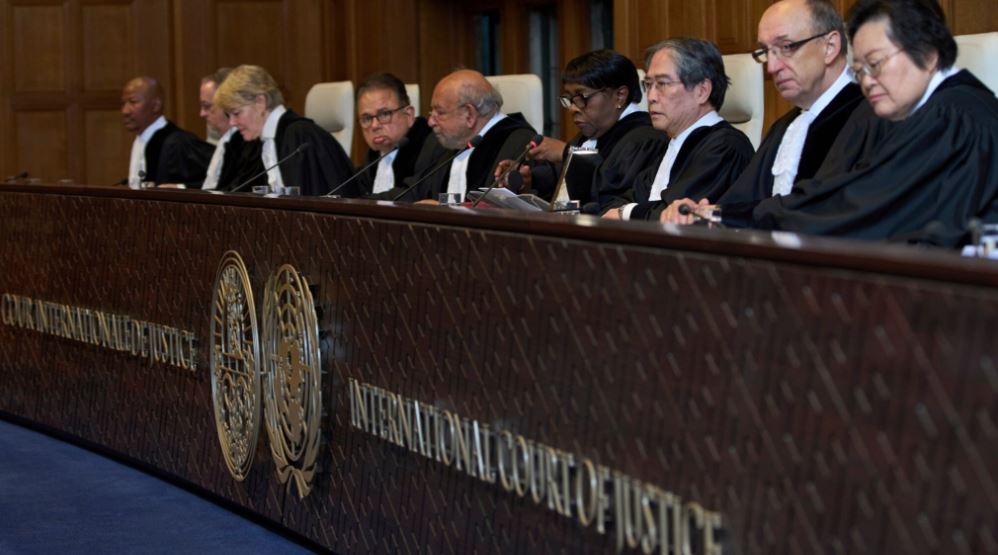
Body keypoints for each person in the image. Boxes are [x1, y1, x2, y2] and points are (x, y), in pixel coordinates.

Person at [744, 0, 998, 246]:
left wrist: (764, 214)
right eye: (859, 71)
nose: (866, 82)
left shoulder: (953, 119)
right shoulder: (928, 114)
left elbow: (869, 208)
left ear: (928, 54)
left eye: (875, 64)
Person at [662, 0, 888, 225]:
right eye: (766, 52)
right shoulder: (784, 126)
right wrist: (697, 213)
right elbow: (741, 203)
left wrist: (722, 214)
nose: (771, 67)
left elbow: (829, 209)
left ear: (830, 46)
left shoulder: (874, 116)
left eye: (786, 47)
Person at [603, 38, 754, 221]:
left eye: (662, 84)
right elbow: (621, 202)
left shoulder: (726, 147)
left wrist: (625, 213)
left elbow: (675, 215)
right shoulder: (672, 143)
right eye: (648, 85)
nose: (651, 97)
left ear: (702, 91)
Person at [507, 49, 668, 213]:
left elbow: (610, 196)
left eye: (582, 97)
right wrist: (530, 179)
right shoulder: (593, 132)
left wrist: (565, 152)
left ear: (620, 96)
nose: (572, 108)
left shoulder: (646, 139)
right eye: (569, 99)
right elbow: (565, 181)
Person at [213, 64, 355, 196]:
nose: (232, 123)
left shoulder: (299, 137)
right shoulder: (269, 140)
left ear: (261, 102)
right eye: (228, 116)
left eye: (236, 113)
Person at [408, 69, 536, 203]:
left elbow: (513, 210)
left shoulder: (522, 146)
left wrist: (442, 209)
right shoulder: (449, 142)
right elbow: (413, 193)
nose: (430, 122)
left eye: (440, 113)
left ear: (469, 114)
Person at [353, 73, 445, 200]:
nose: (374, 126)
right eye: (367, 118)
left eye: (384, 114)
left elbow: (415, 195)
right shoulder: (370, 159)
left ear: (409, 115)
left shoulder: (432, 147)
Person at [121, 76, 212, 187]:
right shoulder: (141, 140)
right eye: (123, 103)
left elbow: (217, 181)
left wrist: (181, 187)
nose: (125, 111)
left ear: (156, 105)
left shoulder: (180, 143)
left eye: (133, 102)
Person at [198, 68, 246, 191]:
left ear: (226, 103)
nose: (202, 114)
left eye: (207, 106)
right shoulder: (226, 140)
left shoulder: (245, 144)